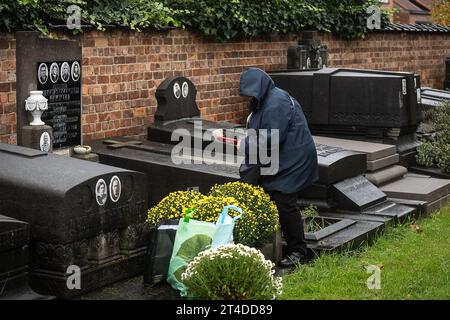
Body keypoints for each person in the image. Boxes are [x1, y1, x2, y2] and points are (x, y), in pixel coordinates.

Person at [238, 67, 319, 268]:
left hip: (295, 159)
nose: (250, 97)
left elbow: (270, 139)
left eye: (252, 92)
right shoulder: (265, 99)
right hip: (284, 157)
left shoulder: (276, 103)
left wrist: (243, 143)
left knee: (284, 200)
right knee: (274, 195)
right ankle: (283, 242)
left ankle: (298, 251)